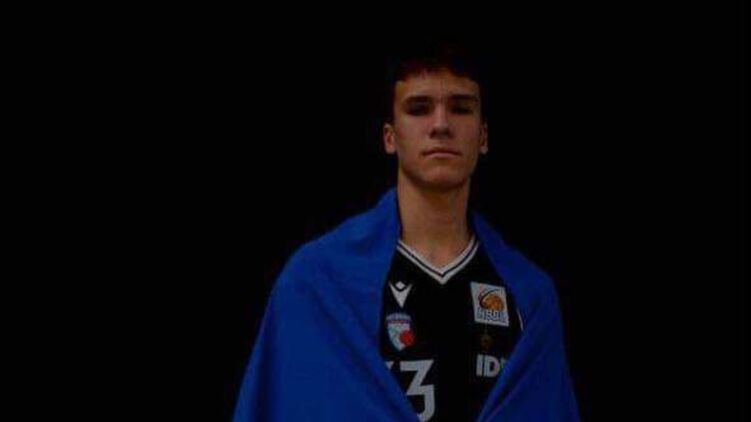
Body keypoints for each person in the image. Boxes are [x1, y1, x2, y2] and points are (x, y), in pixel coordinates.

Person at [234, 42, 580, 421]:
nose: (441, 125)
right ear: (389, 137)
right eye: (419, 108)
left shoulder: (530, 296)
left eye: (461, 108)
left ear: (483, 136)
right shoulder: (316, 283)